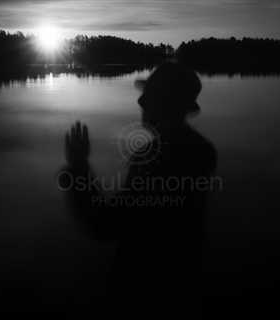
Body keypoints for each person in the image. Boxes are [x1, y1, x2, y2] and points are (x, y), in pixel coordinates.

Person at [58, 62, 217, 318]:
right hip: (183, 287)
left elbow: (106, 225)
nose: (141, 102)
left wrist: (78, 169)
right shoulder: (200, 150)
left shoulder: (156, 158)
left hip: (142, 293)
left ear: (168, 103)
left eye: (150, 96)